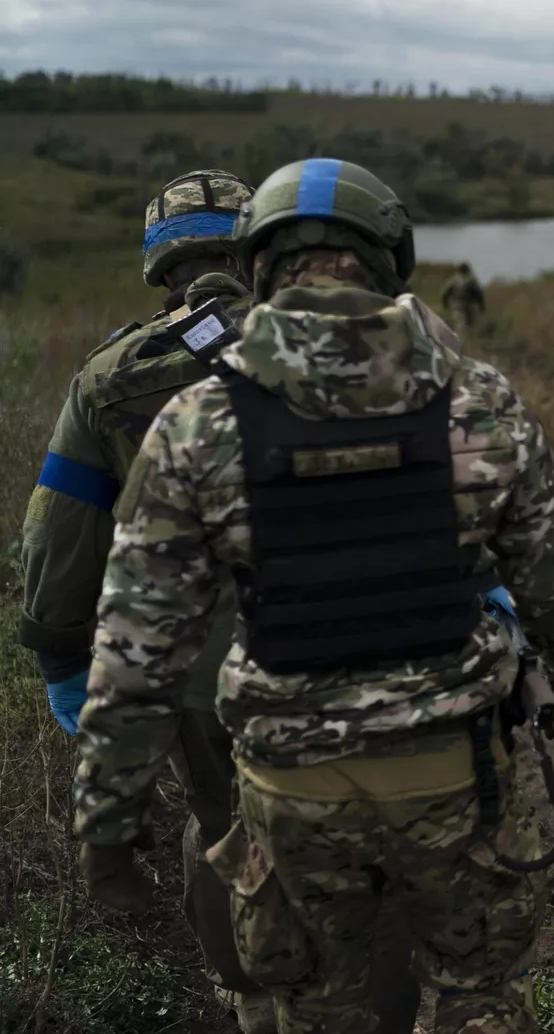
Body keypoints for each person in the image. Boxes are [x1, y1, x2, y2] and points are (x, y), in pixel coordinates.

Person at [70, 157, 554, 1034]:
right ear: (390, 254)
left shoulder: (198, 424)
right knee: (479, 994)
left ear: (259, 265)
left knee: (320, 1004)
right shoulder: (481, 403)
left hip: (292, 789)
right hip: (456, 773)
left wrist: (107, 824)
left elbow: (137, 651)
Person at [17, 169, 285, 1030]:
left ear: (158, 261)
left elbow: (60, 540)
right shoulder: (330, 342)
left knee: (219, 823)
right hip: (340, 646)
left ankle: (251, 1006)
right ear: (253, 245)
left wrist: (62, 654)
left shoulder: (110, 378)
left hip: (193, 668)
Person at [440, 261, 486, 336]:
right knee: (469, 325)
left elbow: (444, 293)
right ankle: (467, 340)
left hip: (457, 304)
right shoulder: (471, 280)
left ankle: (461, 340)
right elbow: (479, 294)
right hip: (469, 304)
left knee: (460, 324)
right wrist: (481, 306)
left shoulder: (453, 280)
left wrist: (445, 304)